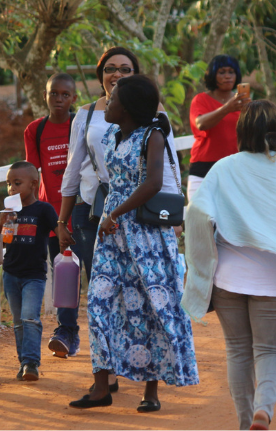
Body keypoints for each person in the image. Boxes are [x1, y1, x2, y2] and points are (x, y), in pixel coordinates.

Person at [183, 100, 276, 430]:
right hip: (274, 279)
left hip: (228, 278)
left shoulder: (224, 168)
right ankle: (263, 410)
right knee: (270, 350)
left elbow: (195, 213)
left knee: (238, 352)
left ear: (242, 130)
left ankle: (243, 422)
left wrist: (199, 263)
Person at [68, 75, 198, 411]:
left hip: (144, 233)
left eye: (112, 101)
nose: (106, 103)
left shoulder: (152, 136)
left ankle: (150, 393)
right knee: (98, 304)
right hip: (112, 232)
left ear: (127, 108)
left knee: (149, 308)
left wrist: (117, 212)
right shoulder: (111, 133)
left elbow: (154, 182)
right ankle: (101, 387)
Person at [56, 47, 181, 370]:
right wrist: (62, 220)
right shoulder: (85, 114)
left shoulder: (155, 114)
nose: (117, 75)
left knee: (139, 293)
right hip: (94, 211)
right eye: (110, 69)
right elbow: (72, 168)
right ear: (100, 75)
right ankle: (105, 370)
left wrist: (175, 213)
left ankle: (140, 367)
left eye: (125, 70)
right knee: (101, 291)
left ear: (135, 75)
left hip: (142, 214)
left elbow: (168, 167)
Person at [23, 73, 78, 350]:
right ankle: (67, 332)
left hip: (83, 211)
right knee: (64, 272)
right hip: (54, 216)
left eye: (64, 94)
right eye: (53, 93)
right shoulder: (36, 130)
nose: (58, 99)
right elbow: (32, 175)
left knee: (97, 271)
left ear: (74, 98)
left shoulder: (81, 125)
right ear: (45, 95)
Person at [0, 162, 58, 382]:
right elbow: (4, 240)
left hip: (34, 275)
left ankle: (31, 363)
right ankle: (24, 362)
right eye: (8, 184)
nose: (11, 188)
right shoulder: (10, 211)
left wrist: (67, 239)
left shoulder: (43, 210)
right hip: (11, 273)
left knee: (30, 318)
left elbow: (58, 229)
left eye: (17, 183)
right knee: (17, 321)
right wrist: (3, 222)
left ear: (33, 184)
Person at [187, 55, 248, 200]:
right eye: (222, 72)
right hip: (204, 168)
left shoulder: (242, 101)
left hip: (235, 168)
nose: (227, 76)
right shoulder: (201, 99)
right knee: (201, 218)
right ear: (213, 75)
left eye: (231, 72)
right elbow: (201, 124)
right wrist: (227, 108)